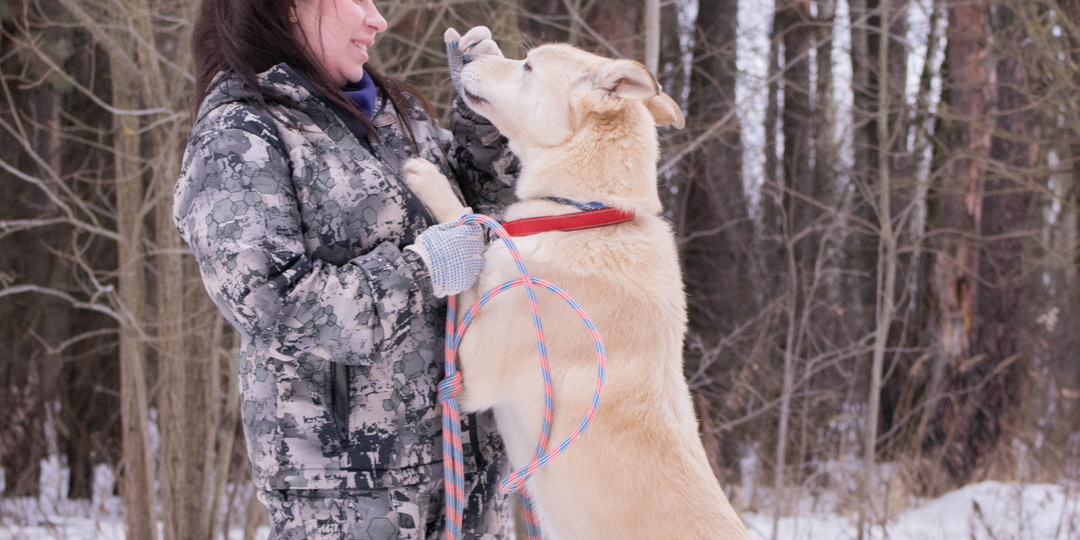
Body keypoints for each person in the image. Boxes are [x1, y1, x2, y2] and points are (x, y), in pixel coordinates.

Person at [173, 0, 519, 537]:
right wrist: (422, 272)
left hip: (468, 473)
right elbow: (273, 305)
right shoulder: (239, 135)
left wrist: (486, 122)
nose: (377, 20)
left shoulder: (395, 112)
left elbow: (488, 222)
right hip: (349, 494)